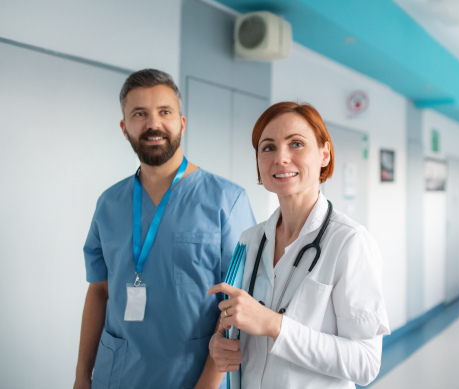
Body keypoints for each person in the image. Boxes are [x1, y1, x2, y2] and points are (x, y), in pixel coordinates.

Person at [73, 69, 255, 389]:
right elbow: (99, 291)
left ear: (181, 124)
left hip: (192, 376)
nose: (153, 124)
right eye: (139, 114)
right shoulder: (109, 204)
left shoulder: (228, 201)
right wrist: (81, 377)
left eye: (164, 112)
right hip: (116, 375)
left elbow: (240, 304)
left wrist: (208, 384)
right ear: (124, 128)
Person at [202, 102, 390, 388]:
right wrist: (219, 345)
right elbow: (238, 325)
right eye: (268, 147)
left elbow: (365, 363)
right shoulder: (250, 240)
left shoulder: (349, 242)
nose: (281, 158)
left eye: (296, 144)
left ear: (324, 154)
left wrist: (275, 326)